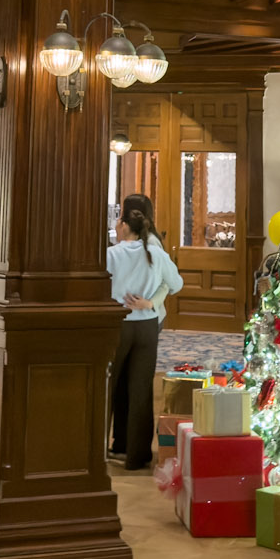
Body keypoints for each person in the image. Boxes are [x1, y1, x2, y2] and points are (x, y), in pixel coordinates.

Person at [106, 192, 182, 471]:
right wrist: (150, 302)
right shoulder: (156, 252)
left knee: (108, 387)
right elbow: (176, 283)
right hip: (147, 324)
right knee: (140, 390)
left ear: (124, 225)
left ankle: (97, 450)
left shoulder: (111, 254)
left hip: (119, 324)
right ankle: (137, 456)